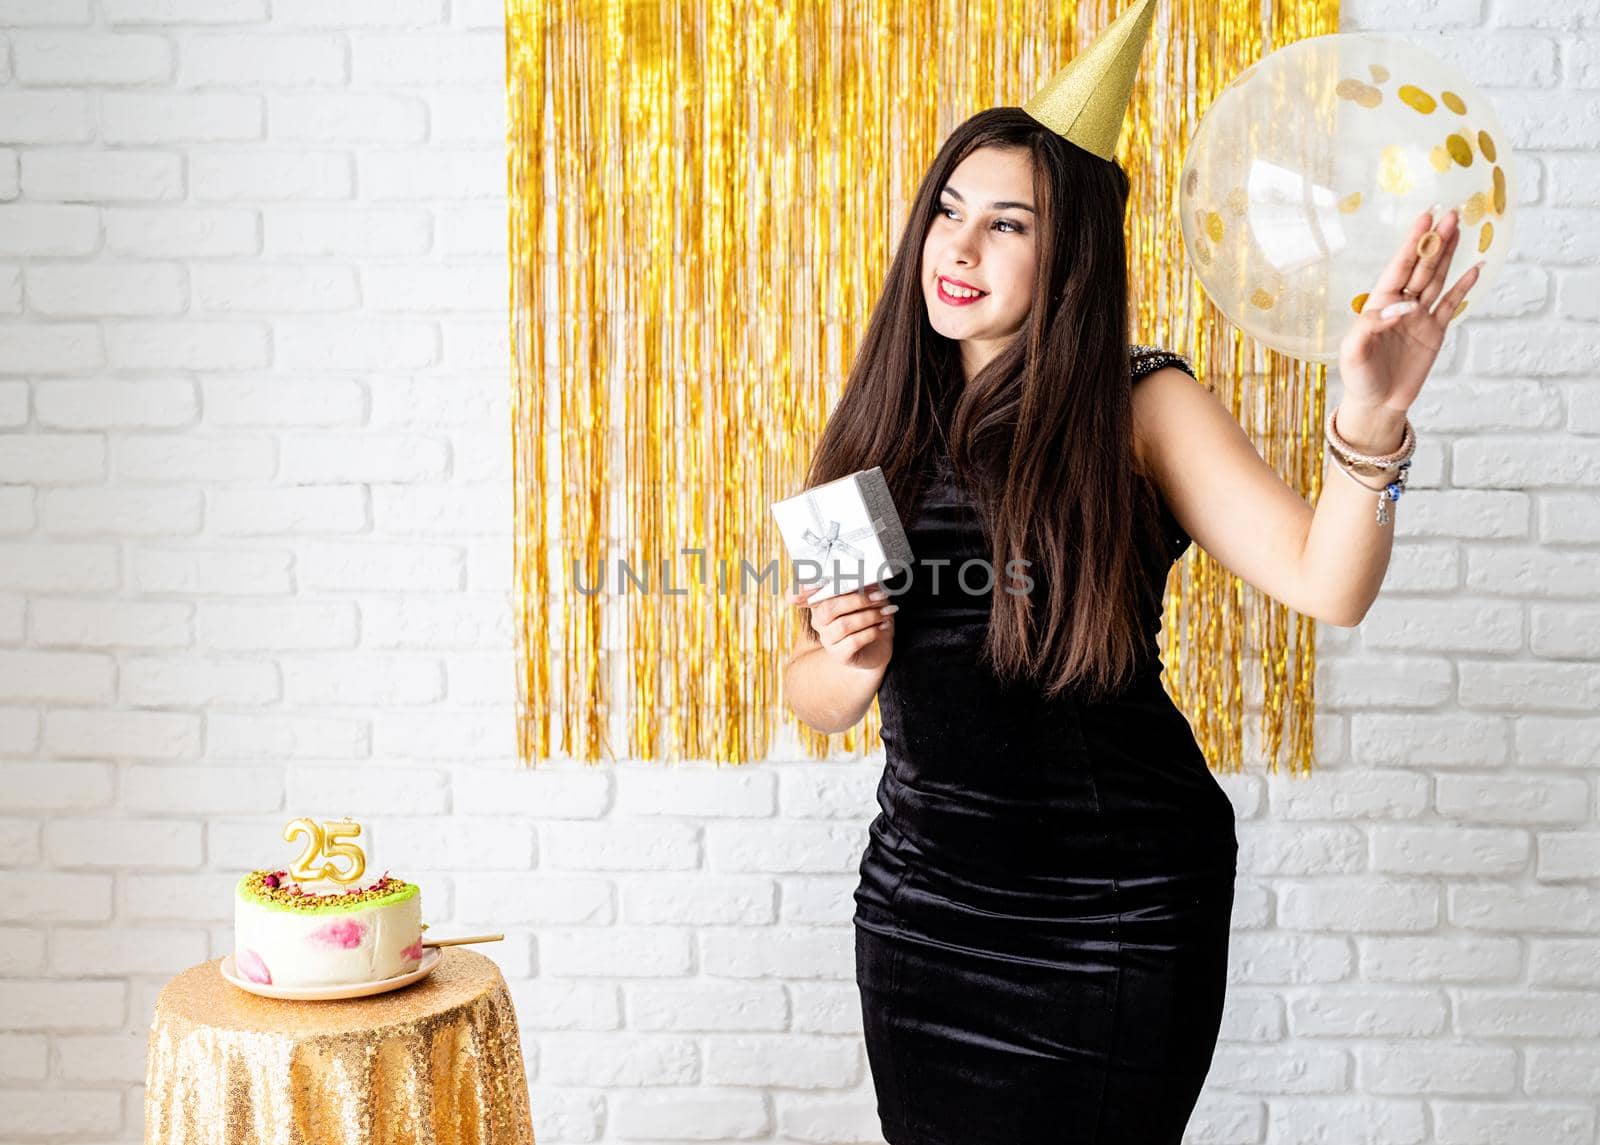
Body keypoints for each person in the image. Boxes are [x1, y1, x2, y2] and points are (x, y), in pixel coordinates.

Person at [779, 3, 1480, 1141]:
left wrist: (1371, 417)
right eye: (948, 212)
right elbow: (807, 683)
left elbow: (1326, 581)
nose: (958, 248)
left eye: (1006, 224)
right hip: (922, 914)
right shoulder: (874, 428)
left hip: (1113, 917)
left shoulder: (1141, 405)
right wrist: (850, 666)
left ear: (1070, 255)